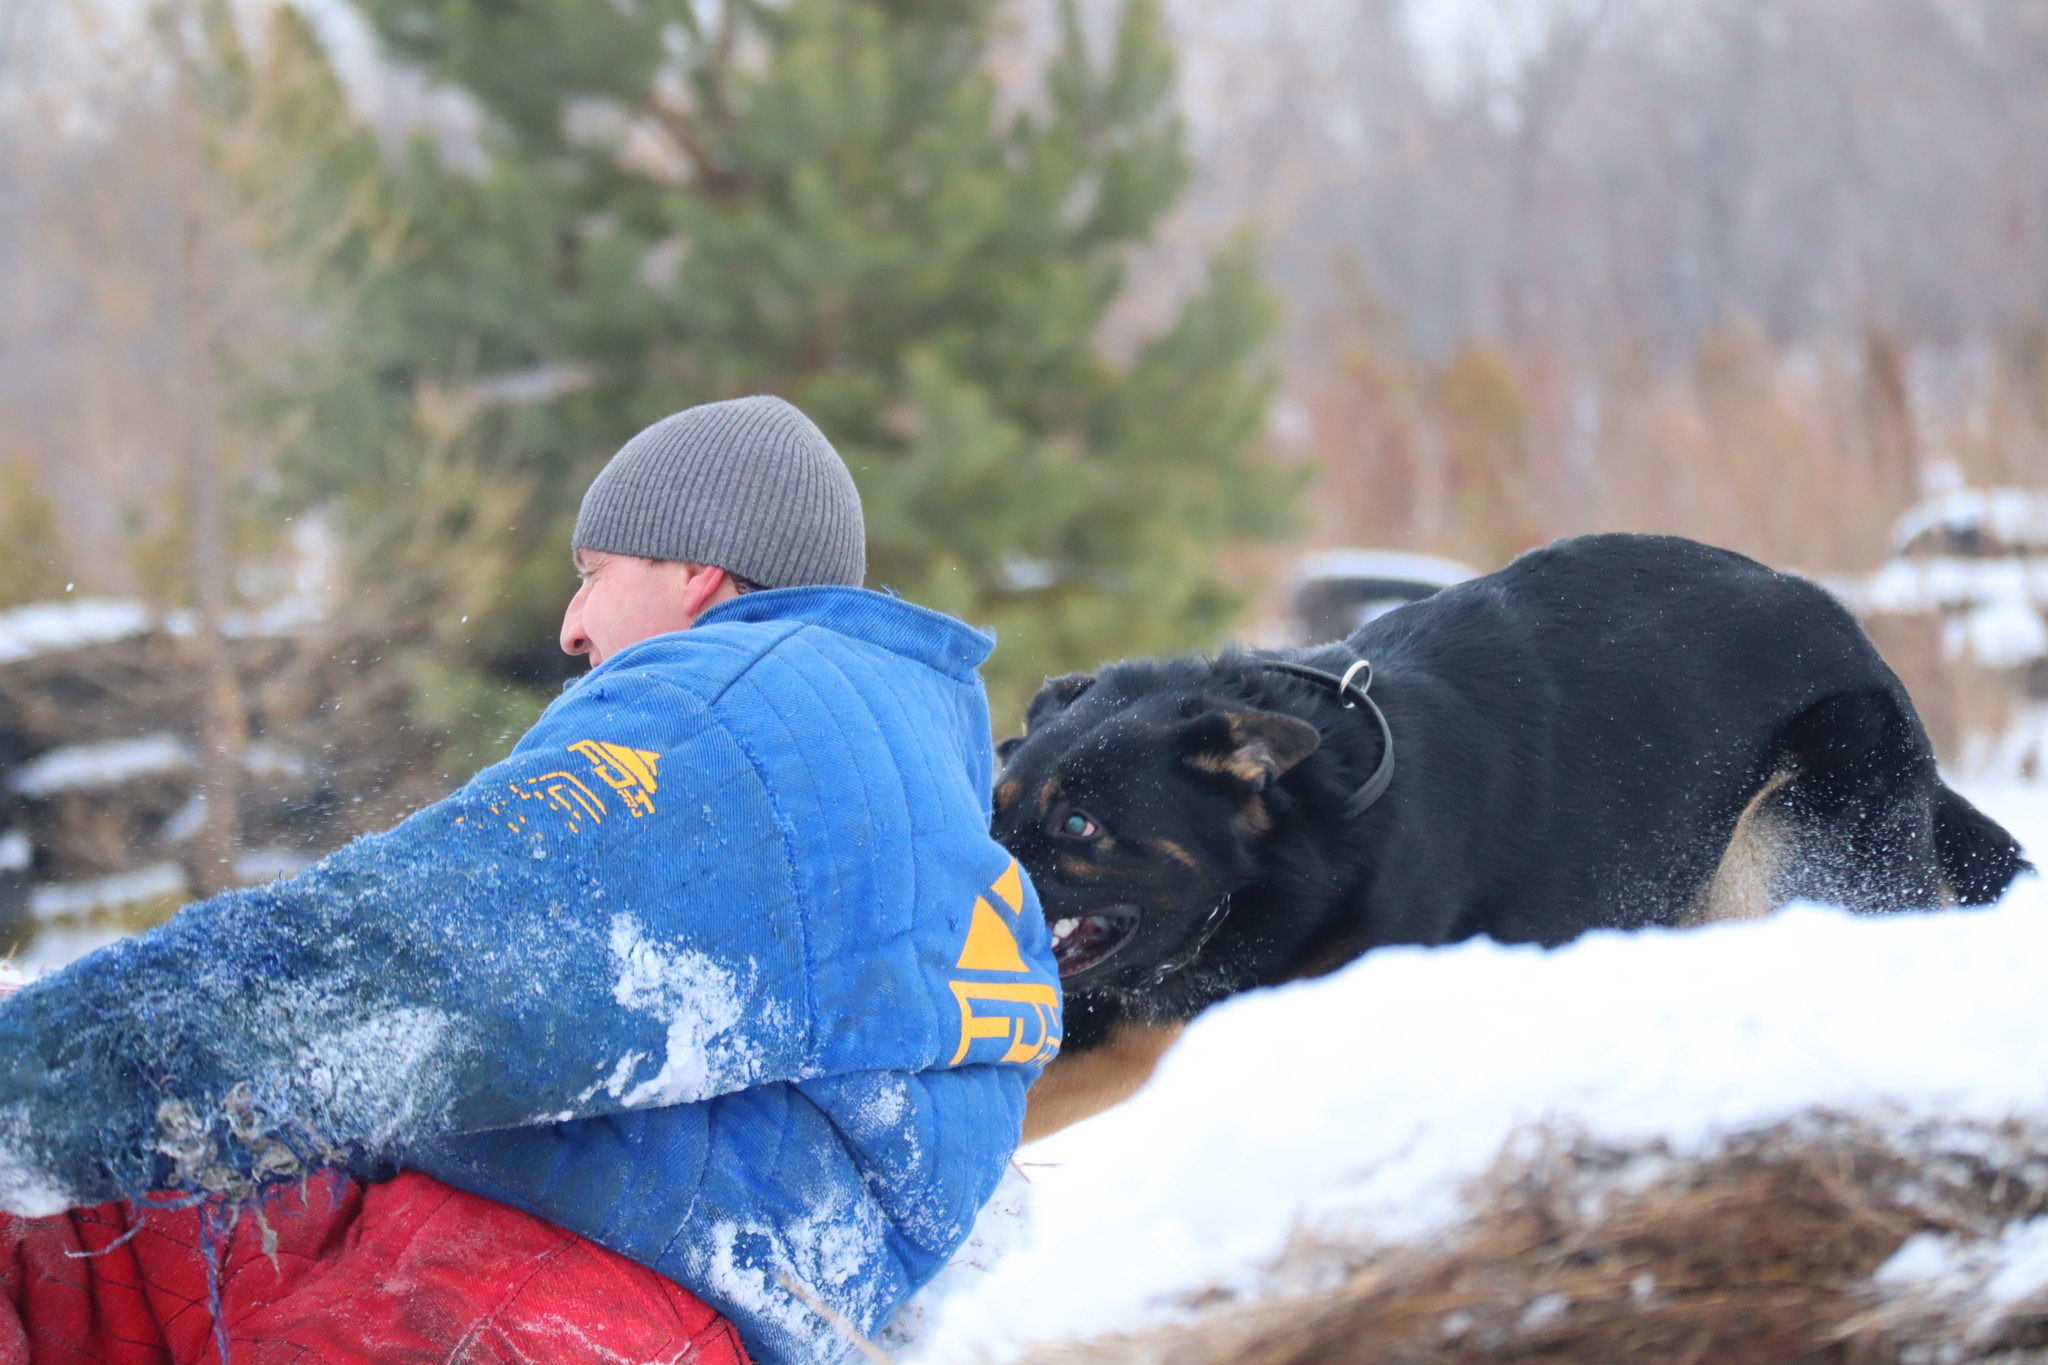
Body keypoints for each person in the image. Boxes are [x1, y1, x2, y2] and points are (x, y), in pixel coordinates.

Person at [0, 397, 1063, 1365]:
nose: (569, 624)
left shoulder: (736, 715)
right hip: (580, 1264)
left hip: (542, 1292)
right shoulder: (909, 802)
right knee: (48, 1229)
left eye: (594, 570)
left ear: (697, 570)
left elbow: (392, 961)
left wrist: (27, 1083)